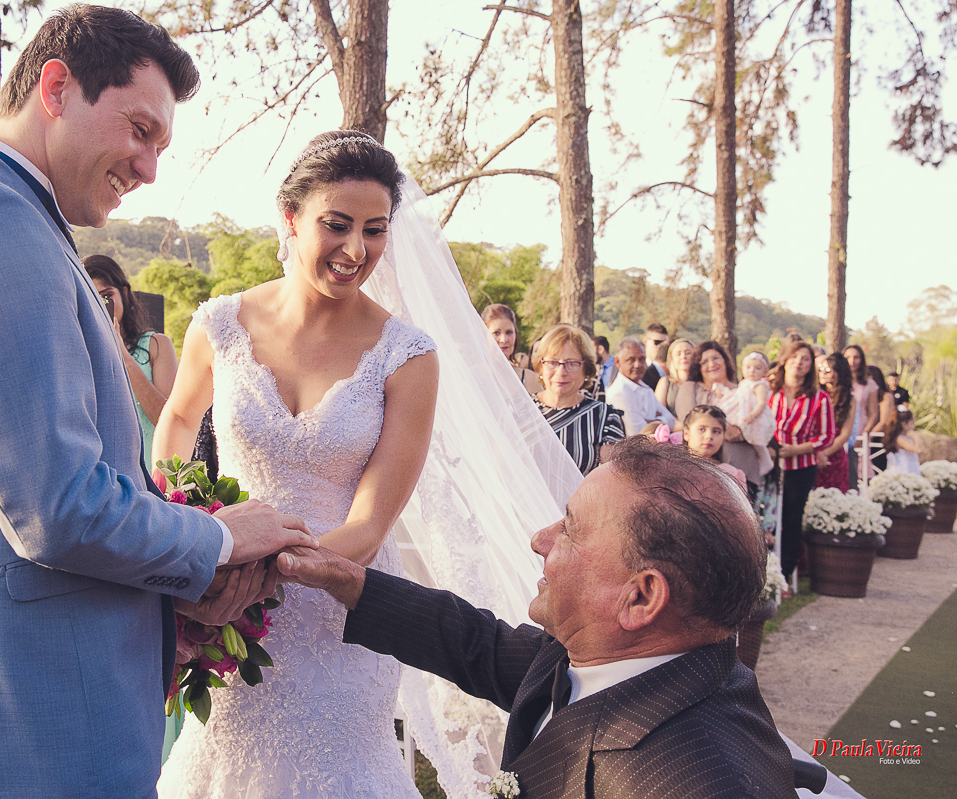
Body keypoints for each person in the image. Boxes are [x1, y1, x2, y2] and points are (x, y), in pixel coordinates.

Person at [0, 8, 315, 798]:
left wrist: (178, 603)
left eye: (160, 146)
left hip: (47, 713)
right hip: (19, 728)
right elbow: (59, 505)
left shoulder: (18, 222)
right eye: (140, 130)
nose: (147, 168)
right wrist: (211, 540)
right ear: (57, 86)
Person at [154, 131, 583, 797]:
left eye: (375, 230)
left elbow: (370, 524)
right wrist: (186, 530)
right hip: (223, 604)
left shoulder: (407, 355)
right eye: (337, 225)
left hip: (335, 604)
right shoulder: (219, 324)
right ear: (290, 218)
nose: (357, 250)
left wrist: (251, 572)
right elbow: (180, 420)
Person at [277, 436, 795, 799]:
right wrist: (348, 582)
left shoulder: (677, 781)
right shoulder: (623, 657)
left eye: (569, 529)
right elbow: (477, 644)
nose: (539, 541)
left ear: (640, 598)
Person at [83, 254, 178, 469]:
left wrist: (124, 357)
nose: (102, 305)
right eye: (93, 298)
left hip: (155, 474)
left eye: (107, 296)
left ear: (124, 292)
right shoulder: (81, 353)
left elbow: (168, 420)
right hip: (108, 475)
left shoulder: (156, 345)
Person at [770, 341, 836, 581]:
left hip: (801, 466)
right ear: (785, 359)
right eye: (795, 356)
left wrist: (797, 450)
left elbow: (827, 435)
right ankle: (762, 568)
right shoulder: (768, 391)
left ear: (811, 366)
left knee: (791, 517)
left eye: (805, 359)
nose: (799, 362)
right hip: (768, 464)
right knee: (765, 516)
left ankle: (785, 573)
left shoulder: (819, 398)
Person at [532, 324, 625, 475]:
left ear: (586, 369)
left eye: (571, 363)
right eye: (552, 362)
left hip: (582, 498)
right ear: (540, 366)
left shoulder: (604, 417)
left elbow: (614, 477)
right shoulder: (517, 411)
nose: (561, 372)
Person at [675, 341, 764, 490]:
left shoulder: (743, 389)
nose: (711, 364)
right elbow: (687, 418)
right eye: (704, 361)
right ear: (698, 367)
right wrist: (725, 428)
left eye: (715, 358)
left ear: (725, 360)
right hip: (705, 471)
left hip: (744, 465)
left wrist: (747, 432)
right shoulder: (691, 388)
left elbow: (762, 417)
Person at [716, 351, 776, 477]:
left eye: (757, 368)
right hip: (741, 412)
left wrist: (753, 415)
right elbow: (737, 396)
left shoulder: (760, 385)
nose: (752, 371)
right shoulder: (744, 383)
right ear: (742, 369)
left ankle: (765, 459)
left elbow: (761, 403)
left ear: (765, 372)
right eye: (748, 367)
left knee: (757, 440)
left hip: (754, 417)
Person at [605, 337, 675, 436]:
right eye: (631, 360)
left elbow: (671, 421)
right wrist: (660, 422)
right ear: (617, 362)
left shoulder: (646, 389)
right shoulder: (619, 392)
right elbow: (638, 433)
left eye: (642, 359)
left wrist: (649, 422)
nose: (638, 365)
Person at [814, 354, 854, 491]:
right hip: (812, 451)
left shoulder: (848, 398)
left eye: (827, 371)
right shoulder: (814, 394)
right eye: (820, 370)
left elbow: (845, 433)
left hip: (834, 453)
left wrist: (825, 453)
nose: (822, 374)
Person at [482, 303, 543, 394]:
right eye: (496, 333)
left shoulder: (529, 379)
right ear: (484, 336)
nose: (504, 340)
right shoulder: (470, 378)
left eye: (509, 332)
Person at [682, 404, 747, 488]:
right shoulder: (673, 470)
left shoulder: (731, 475)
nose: (709, 436)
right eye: (702, 429)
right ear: (686, 433)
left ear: (723, 437)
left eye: (716, 431)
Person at [844, 345, 878, 486]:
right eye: (848, 357)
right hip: (841, 429)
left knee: (860, 471)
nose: (852, 361)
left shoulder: (869, 384)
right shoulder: (838, 382)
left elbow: (873, 413)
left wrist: (865, 433)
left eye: (856, 357)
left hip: (859, 430)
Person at [654, 337, 693, 416]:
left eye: (688, 353)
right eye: (678, 354)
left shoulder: (701, 383)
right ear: (672, 359)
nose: (683, 357)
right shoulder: (665, 382)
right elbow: (659, 411)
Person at [867, 365, 895, 474]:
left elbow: (884, 421)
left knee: (878, 468)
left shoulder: (885, 396)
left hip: (879, 439)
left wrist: (867, 437)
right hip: (870, 438)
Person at [884, 409, 922, 476]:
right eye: (911, 423)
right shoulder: (900, 439)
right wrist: (915, 437)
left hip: (912, 467)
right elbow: (917, 449)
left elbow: (921, 448)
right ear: (904, 424)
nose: (913, 425)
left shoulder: (908, 438)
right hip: (903, 468)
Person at [641, 323, 670, 390]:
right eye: (657, 342)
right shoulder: (638, 366)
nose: (661, 346)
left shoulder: (671, 369)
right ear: (645, 341)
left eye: (665, 344)